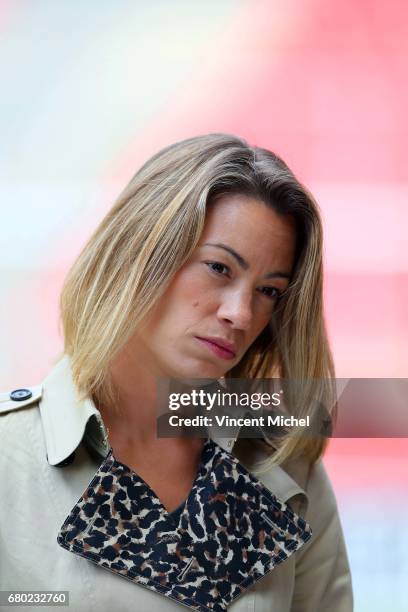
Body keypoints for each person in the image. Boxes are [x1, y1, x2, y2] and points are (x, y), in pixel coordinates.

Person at [0, 133, 353, 611]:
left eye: (269, 291)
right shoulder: (11, 461)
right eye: (219, 268)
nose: (241, 314)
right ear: (141, 253)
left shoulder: (283, 467)